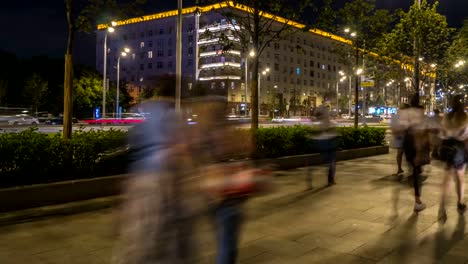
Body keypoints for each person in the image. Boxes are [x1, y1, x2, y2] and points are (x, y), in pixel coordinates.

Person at [438, 95, 468, 222]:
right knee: (460, 178)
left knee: (446, 179)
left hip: (448, 148)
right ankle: (460, 203)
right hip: (460, 149)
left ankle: (442, 206)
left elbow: (442, 134)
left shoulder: (446, 117)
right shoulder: (465, 117)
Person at [399, 96, 431, 212]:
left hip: (406, 143)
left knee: (413, 170)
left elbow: (398, 129)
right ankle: (417, 201)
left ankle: (416, 198)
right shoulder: (419, 114)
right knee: (417, 172)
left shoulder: (405, 113)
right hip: (415, 144)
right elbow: (420, 133)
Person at [391, 104, 410, 175]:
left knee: (400, 153)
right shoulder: (396, 117)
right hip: (401, 137)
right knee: (401, 153)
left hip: (402, 136)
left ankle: (400, 168)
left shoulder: (398, 117)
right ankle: (400, 168)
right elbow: (394, 128)